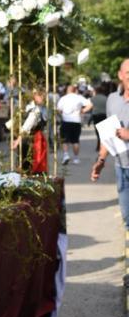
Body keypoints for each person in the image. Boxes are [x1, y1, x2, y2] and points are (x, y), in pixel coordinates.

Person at [91, 59, 129, 227]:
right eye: (128, 73)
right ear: (120, 75)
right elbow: (108, 135)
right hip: (121, 167)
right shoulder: (112, 99)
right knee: (127, 217)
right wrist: (100, 161)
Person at [11, 88, 48, 174]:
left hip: (36, 138)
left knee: (32, 161)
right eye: (41, 96)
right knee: (27, 161)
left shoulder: (40, 108)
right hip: (29, 139)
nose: (43, 98)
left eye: (43, 96)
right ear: (34, 96)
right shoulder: (34, 110)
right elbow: (26, 127)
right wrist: (17, 141)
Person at [57, 84, 92, 165]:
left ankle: (66, 155)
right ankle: (76, 158)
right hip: (76, 121)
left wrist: (62, 114)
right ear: (74, 90)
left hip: (66, 120)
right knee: (75, 140)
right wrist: (83, 111)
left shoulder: (63, 98)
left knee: (65, 140)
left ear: (67, 90)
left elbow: (58, 109)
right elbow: (90, 105)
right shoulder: (79, 97)